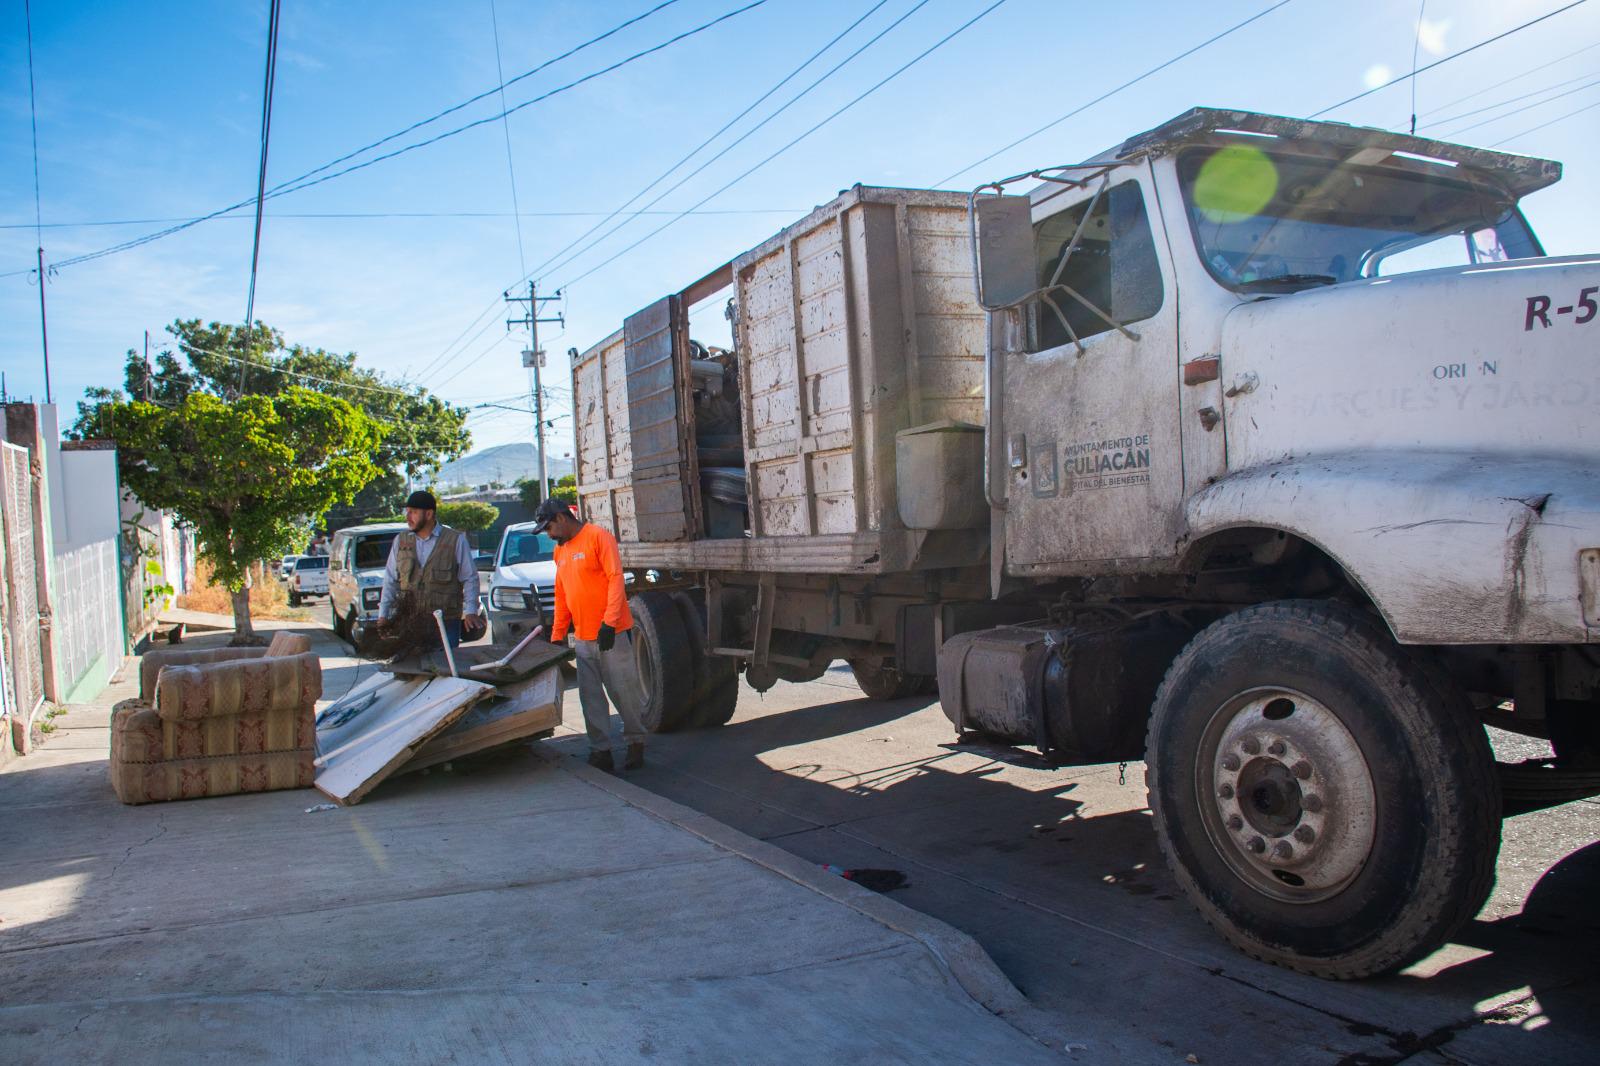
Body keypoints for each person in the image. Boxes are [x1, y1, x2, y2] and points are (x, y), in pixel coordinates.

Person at [531, 496, 646, 771]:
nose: (548, 535)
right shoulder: (560, 551)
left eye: (548, 528)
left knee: (624, 693)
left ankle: (636, 742)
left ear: (561, 518)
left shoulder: (598, 537)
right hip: (582, 638)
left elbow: (616, 578)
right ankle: (601, 750)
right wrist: (558, 633)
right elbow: (562, 594)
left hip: (612, 635)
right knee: (590, 697)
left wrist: (610, 622)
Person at [375, 490, 485, 648]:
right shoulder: (401, 541)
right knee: (412, 669)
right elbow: (390, 580)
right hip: (410, 622)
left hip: (446, 622)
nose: (408, 518)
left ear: (428, 514)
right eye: (407, 512)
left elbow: (470, 578)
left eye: (413, 512)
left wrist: (470, 611)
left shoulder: (455, 540)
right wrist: (383, 616)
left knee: (446, 668)